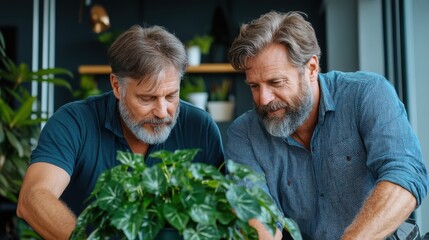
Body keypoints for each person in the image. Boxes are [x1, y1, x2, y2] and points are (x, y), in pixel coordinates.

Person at [226, 10, 429, 239]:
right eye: (254, 86)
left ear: (311, 68)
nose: (263, 99)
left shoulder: (367, 94)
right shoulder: (243, 135)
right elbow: (257, 219)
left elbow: (405, 176)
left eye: (276, 82)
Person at [16, 25, 224, 239]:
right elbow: (33, 197)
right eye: (147, 98)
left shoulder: (201, 128)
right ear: (117, 86)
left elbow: (226, 211)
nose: (162, 112)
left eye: (171, 96)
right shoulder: (73, 122)